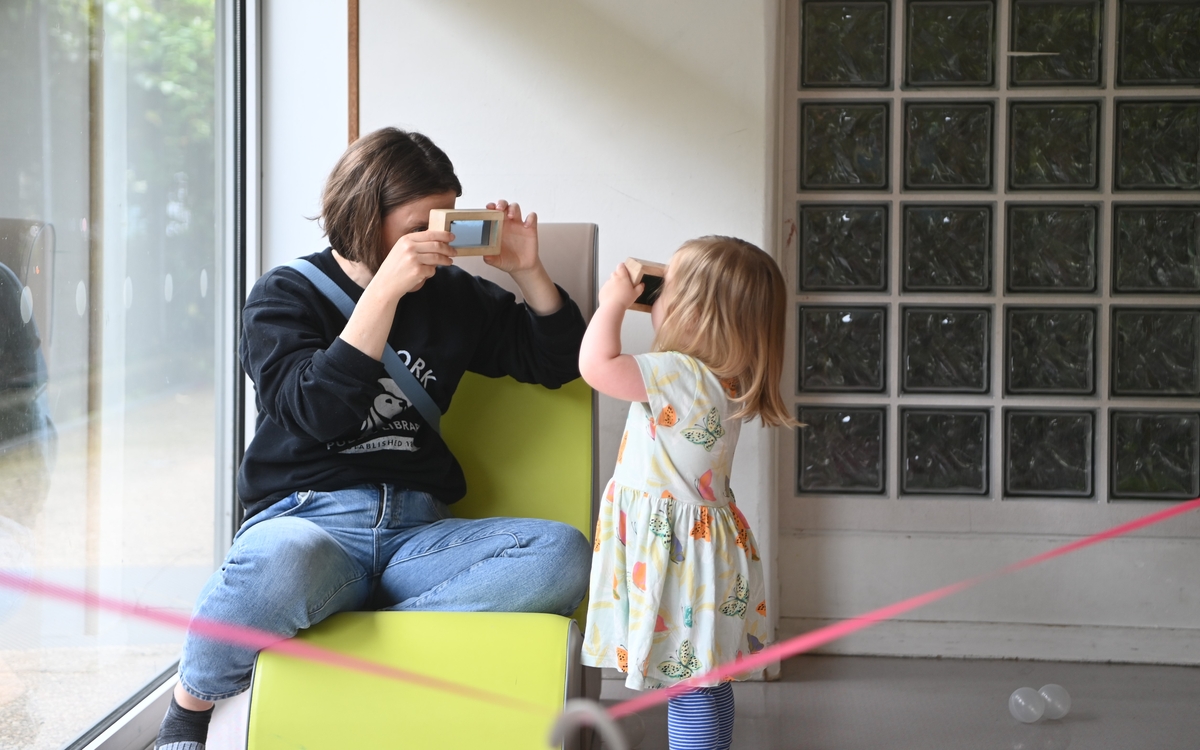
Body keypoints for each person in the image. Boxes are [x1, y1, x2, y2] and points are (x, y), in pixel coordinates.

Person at [155, 128, 591, 750]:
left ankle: (354, 635)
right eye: (420, 225)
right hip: (310, 525)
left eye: (446, 220)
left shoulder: (454, 296)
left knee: (562, 554)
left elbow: (557, 360)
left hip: (418, 536)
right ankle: (188, 713)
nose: (438, 242)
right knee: (277, 566)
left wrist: (529, 271)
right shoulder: (285, 295)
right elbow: (317, 411)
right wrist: (384, 290)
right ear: (366, 216)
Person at [578, 236, 794, 750]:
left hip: (677, 553)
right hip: (706, 550)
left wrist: (611, 303)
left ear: (695, 314)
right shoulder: (725, 379)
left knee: (689, 685)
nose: (654, 298)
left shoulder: (677, 373)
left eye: (665, 288)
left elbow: (596, 366)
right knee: (703, 678)